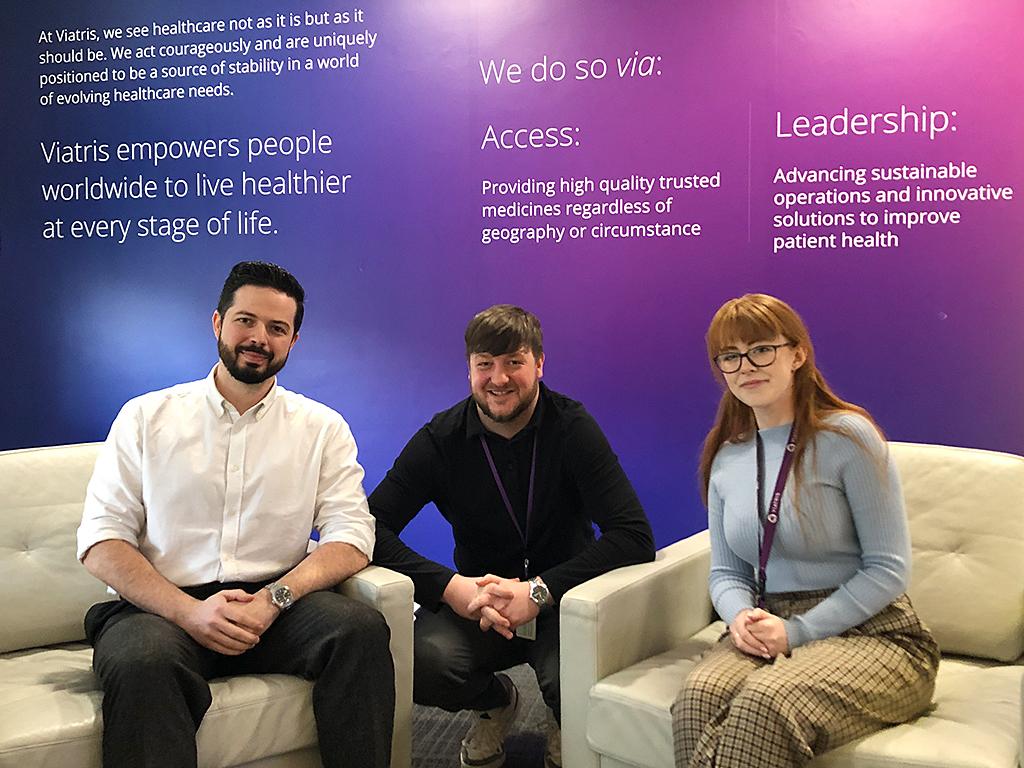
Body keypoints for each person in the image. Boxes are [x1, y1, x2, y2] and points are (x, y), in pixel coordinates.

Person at [77, 261, 394, 768]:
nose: (259, 338)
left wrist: (274, 599)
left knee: (359, 630)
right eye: (246, 320)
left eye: (277, 328)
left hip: (275, 604)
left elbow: (352, 535)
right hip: (161, 609)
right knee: (143, 662)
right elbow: (101, 541)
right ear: (217, 322)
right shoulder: (145, 417)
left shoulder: (323, 428)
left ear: (294, 342)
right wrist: (189, 612)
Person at [370, 304, 655, 768]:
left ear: (540, 364)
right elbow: (369, 527)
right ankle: (496, 702)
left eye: (513, 363)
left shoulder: (573, 428)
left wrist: (539, 592)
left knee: (573, 680)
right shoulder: (441, 439)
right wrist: (449, 588)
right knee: (420, 662)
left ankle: (564, 719)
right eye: (485, 364)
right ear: (469, 371)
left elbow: (634, 534)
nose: (498, 379)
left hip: (565, 601)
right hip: (480, 605)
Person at [671, 293, 940, 767]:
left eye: (761, 349)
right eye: (730, 357)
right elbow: (726, 573)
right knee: (698, 696)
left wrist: (798, 632)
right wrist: (739, 618)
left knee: (768, 700)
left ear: (797, 354)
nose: (746, 366)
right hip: (765, 619)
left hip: (874, 634)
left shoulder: (847, 436)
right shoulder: (726, 455)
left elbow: (888, 569)